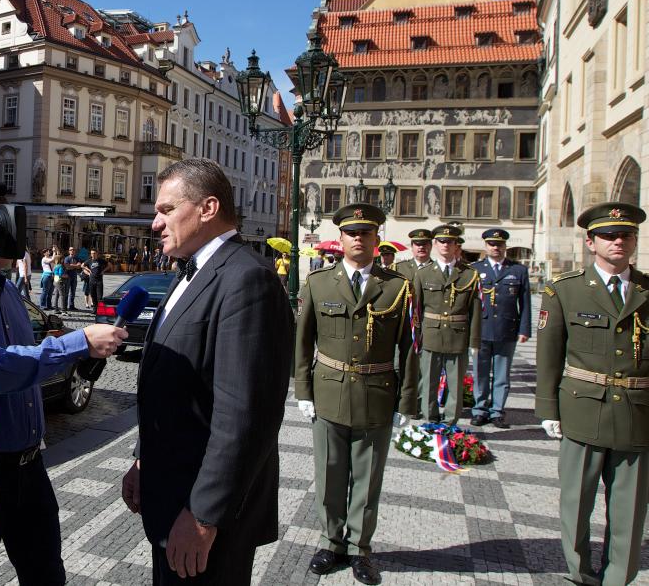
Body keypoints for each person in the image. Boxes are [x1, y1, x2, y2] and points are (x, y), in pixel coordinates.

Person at [121, 158, 292, 585]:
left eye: (166, 210)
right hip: (170, 498)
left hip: (206, 521)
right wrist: (144, 459)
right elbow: (177, 392)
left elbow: (244, 418)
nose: (155, 223)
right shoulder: (190, 272)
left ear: (208, 208)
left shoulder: (247, 279)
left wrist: (203, 515)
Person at [0, 207, 127, 586]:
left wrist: (77, 348)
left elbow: (31, 353)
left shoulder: (10, 291)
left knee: (46, 575)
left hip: (32, 468)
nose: (16, 233)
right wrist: (77, 342)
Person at [295, 204, 414, 586]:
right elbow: (302, 342)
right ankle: (332, 543)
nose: (359, 239)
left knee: (367, 478)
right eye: (352, 233)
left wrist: (407, 402)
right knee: (329, 474)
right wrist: (303, 390)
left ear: (377, 238)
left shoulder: (399, 287)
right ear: (341, 239)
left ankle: (361, 548)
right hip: (329, 391)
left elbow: (411, 347)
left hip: (378, 394)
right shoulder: (317, 283)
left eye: (366, 233)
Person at [536, 202, 649, 586]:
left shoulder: (647, 290)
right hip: (583, 409)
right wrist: (548, 409)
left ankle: (618, 577)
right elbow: (549, 354)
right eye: (609, 235)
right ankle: (581, 574)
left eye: (626, 235)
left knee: (630, 510)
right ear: (591, 242)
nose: (618, 241)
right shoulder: (565, 291)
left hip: (637, 412)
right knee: (576, 503)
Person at [409, 225, 481, 424]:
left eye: (450, 241)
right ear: (435, 244)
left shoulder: (469, 275)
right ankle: (430, 419)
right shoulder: (423, 274)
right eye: (441, 241)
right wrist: (415, 337)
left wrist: (474, 342)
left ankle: (450, 422)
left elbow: (475, 310)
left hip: (458, 336)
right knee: (428, 382)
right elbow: (416, 310)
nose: (445, 245)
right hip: (431, 335)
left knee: (455, 384)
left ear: (456, 244)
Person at [470, 229, 531, 428]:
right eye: (491, 244)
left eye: (499, 244)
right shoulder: (475, 269)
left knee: (502, 374)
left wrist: (524, 329)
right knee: (480, 372)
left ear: (505, 246)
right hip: (481, 329)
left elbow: (525, 302)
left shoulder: (518, 270)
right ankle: (480, 409)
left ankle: (497, 411)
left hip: (507, 328)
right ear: (486, 246)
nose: (496, 248)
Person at [63, 246, 81, 310]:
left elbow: (79, 266)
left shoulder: (77, 258)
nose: (72, 251)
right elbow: (67, 266)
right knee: (66, 292)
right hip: (67, 277)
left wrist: (72, 266)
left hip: (74, 277)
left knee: (73, 292)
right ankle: (64, 306)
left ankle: (71, 305)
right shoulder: (67, 258)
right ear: (69, 251)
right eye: (71, 250)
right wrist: (75, 266)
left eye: (73, 250)